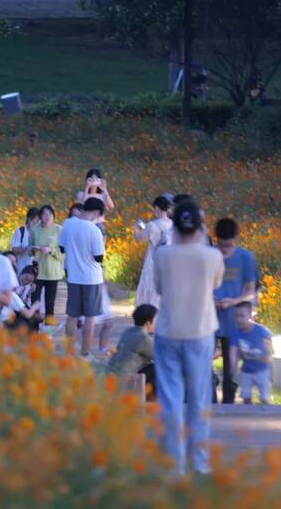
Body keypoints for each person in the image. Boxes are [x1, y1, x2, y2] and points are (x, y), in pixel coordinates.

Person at [154, 200, 224, 476]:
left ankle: (174, 462)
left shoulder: (163, 255)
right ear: (200, 226)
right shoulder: (212, 256)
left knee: (171, 398)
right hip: (200, 330)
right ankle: (200, 460)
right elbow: (215, 284)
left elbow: (159, 288)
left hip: (168, 329)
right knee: (199, 398)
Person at [214, 217, 258, 404]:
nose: (225, 248)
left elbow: (250, 289)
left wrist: (233, 301)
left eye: (228, 244)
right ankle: (206, 399)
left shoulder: (245, 257)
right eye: (222, 244)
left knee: (230, 365)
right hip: (209, 316)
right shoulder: (209, 255)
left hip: (235, 317)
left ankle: (228, 401)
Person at [58, 197, 106, 358]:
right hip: (91, 278)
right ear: (97, 212)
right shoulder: (94, 230)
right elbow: (99, 257)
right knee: (90, 317)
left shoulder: (68, 224)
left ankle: (68, 351)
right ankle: (85, 352)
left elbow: (62, 248)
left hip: (73, 277)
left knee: (72, 315)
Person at [106, 304, 157, 399]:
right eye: (156, 320)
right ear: (148, 323)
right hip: (124, 382)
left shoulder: (128, 332)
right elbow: (162, 358)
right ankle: (150, 402)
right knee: (159, 370)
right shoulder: (143, 338)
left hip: (110, 377)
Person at [133, 195, 173, 308]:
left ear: (157, 208)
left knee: (151, 285)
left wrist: (136, 228)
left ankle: (149, 312)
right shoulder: (173, 225)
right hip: (168, 261)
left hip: (153, 260)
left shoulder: (152, 225)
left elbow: (138, 238)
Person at [230, 302, 273, 405]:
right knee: (246, 396)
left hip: (262, 369)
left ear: (250, 316)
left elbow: (269, 346)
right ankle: (249, 416)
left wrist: (268, 356)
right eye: (236, 316)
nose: (238, 319)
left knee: (264, 397)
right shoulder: (236, 333)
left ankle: (267, 413)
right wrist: (233, 368)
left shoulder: (261, 330)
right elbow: (232, 352)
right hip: (246, 370)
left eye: (242, 316)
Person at [30, 204, 64, 324]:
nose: (47, 217)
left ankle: (48, 331)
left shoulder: (59, 230)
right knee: (34, 302)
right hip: (37, 271)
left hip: (52, 273)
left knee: (50, 304)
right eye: (44, 214)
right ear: (40, 216)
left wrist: (51, 250)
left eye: (50, 214)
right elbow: (30, 249)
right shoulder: (34, 229)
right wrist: (35, 249)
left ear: (53, 216)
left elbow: (63, 253)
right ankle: (34, 330)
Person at [10, 265, 43, 331]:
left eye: (29, 281)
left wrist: (29, 292)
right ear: (21, 274)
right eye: (25, 278)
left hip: (20, 308)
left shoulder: (31, 287)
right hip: (11, 308)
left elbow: (27, 302)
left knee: (36, 317)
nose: (26, 282)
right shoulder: (13, 282)